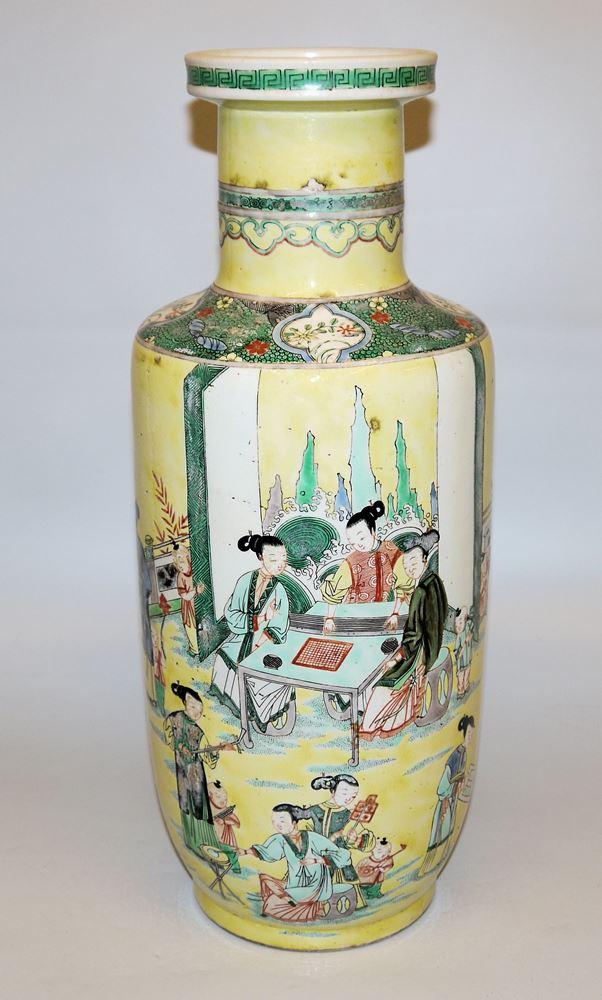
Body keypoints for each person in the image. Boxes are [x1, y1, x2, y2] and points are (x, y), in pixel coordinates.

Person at [359, 529, 447, 740]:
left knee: (384, 683)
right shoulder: (433, 581)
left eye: (414, 561)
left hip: (420, 652)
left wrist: (397, 658)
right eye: (406, 564)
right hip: (430, 644)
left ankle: (370, 727)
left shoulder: (422, 591)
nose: (409, 567)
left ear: (425, 560)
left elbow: (413, 635)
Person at [211, 533, 293, 732]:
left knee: (273, 669)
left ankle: (264, 715)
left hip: (266, 642)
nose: (280, 564)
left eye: (283, 559)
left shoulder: (280, 589)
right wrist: (262, 618)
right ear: (260, 557)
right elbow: (232, 614)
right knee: (225, 657)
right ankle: (243, 712)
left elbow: (280, 624)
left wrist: (261, 641)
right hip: (241, 637)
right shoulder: (245, 581)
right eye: (273, 559)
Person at [238, 804, 353, 922]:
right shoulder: (280, 840)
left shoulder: (312, 837)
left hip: (315, 885)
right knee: (264, 879)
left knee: (271, 904)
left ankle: (299, 903)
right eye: (274, 821)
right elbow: (267, 852)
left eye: (282, 820)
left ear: (294, 822)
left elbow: (343, 856)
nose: (278, 825)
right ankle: (289, 899)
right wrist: (245, 852)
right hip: (294, 883)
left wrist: (317, 860)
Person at [320, 501, 413, 633]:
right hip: (354, 614)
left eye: (362, 538)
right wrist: (330, 618)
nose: (358, 545)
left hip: (386, 611)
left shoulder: (392, 552)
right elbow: (335, 590)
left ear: (373, 532)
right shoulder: (352, 561)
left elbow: (404, 586)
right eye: (353, 543)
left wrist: (395, 613)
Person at [304, 774, 376, 909]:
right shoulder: (314, 811)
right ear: (332, 790)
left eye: (353, 796)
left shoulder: (349, 815)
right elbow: (304, 833)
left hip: (340, 860)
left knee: (346, 888)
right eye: (344, 793)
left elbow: (364, 839)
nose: (348, 798)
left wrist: (355, 839)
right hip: (317, 858)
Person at [164, 682, 221, 853]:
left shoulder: (198, 732)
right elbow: (169, 737)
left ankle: (203, 841)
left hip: (195, 772)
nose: (196, 712)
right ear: (184, 704)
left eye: (200, 710)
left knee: (198, 802)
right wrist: (180, 746)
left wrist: (214, 752)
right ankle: (191, 840)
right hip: (183, 770)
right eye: (192, 706)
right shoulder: (174, 719)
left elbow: (209, 758)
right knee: (186, 801)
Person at [419, 715, 475, 876]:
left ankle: (437, 862)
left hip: (452, 800)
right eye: (469, 733)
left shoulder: (464, 753)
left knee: (447, 830)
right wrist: (452, 787)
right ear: (464, 733)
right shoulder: (455, 757)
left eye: (472, 734)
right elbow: (443, 786)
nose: (470, 737)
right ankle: (428, 866)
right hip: (445, 801)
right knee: (439, 833)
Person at [174, 546, 205, 656]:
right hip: (188, 606)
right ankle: (195, 649)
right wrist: (195, 590)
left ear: (187, 557)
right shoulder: (180, 577)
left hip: (199, 602)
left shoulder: (196, 569)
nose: (180, 566)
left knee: (202, 624)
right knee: (191, 627)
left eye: (182, 561)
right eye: (178, 564)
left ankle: (202, 646)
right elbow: (185, 596)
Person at [208, 780, 241, 850]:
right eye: (218, 797)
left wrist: (226, 821)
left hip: (225, 840)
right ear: (210, 795)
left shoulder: (226, 811)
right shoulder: (207, 809)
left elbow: (238, 824)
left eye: (225, 798)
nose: (223, 800)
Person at [455, 606, 473, 697]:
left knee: (467, 674)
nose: (458, 626)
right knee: (461, 676)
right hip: (461, 662)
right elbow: (457, 652)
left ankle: (466, 685)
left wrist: (470, 636)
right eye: (456, 624)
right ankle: (460, 690)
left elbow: (471, 624)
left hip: (468, 658)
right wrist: (464, 644)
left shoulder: (467, 627)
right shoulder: (459, 637)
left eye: (461, 622)